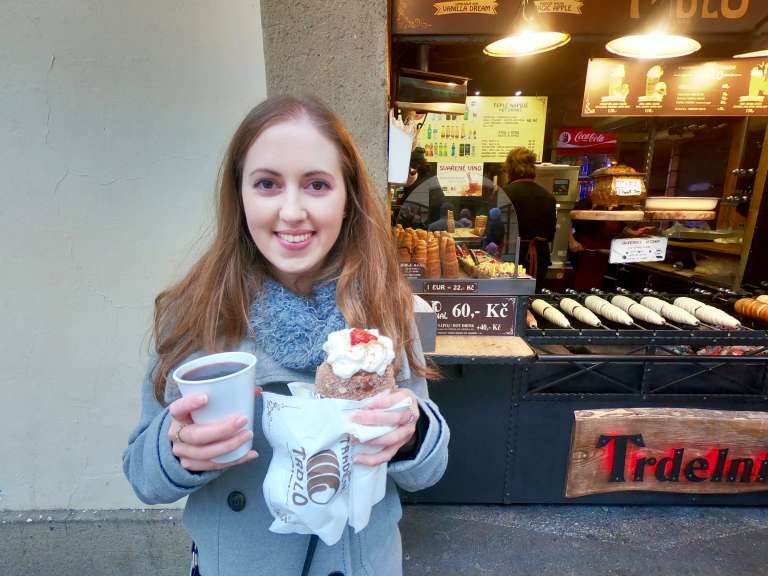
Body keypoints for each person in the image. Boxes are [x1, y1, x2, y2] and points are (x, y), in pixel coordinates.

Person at [122, 96, 449, 576]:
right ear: (241, 196)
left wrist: (411, 434)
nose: (292, 211)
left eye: (316, 184)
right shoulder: (194, 312)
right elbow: (144, 479)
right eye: (267, 184)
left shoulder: (384, 304)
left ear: (347, 197)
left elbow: (427, 473)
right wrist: (177, 451)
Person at [502, 147, 556, 290]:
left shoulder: (505, 194)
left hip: (511, 260)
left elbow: (497, 231)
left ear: (510, 168)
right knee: (533, 301)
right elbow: (550, 235)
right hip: (539, 260)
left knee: (510, 303)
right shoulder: (548, 196)